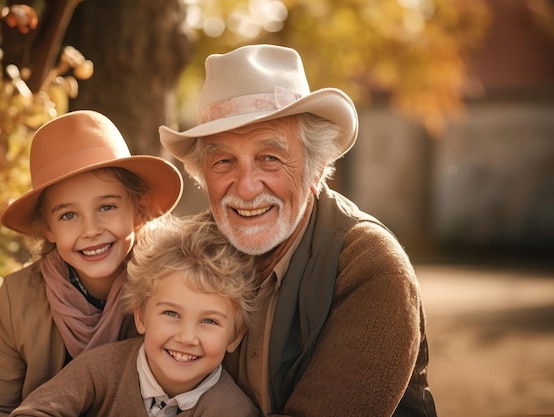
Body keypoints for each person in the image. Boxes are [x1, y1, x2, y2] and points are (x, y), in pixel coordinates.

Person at [159, 44, 437, 417]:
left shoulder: (371, 265)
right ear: (202, 174)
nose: (245, 188)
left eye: (270, 158)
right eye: (223, 161)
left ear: (317, 168)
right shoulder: (185, 253)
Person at [0, 110, 184, 417]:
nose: (91, 230)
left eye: (107, 206)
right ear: (48, 229)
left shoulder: (172, 285)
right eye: (68, 215)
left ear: (139, 211)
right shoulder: (16, 300)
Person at [8, 214, 259, 417]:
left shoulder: (230, 409)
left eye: (209, 321)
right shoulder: (101, 368)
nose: (186, 337)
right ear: (140, 317)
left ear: (234, 336)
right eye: (171, 313)